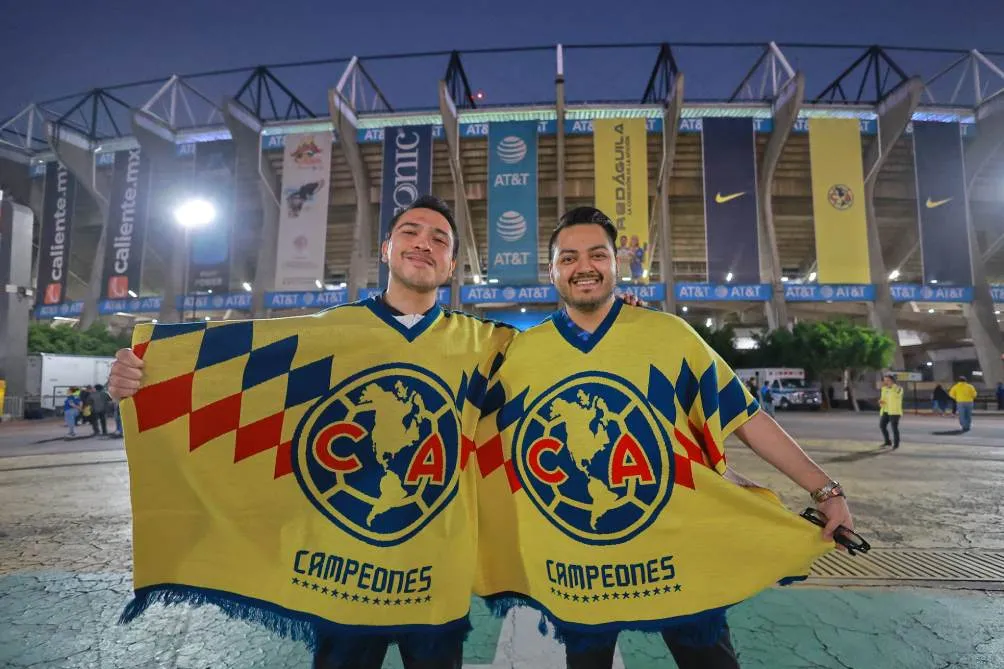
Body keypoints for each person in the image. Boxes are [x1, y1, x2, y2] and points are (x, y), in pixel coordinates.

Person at [110, 195, 517, 669]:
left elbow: (558, 368)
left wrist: (624, 322)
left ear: (451, 266)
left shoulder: (487, 345)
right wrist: (143, 373)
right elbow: (230, 379)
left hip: (434, 574)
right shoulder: (325, 336)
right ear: (385, 249)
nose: (424, 244)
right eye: (411, 232)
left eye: (440, 240)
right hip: (341, 573)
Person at [479, 207, 853, 669]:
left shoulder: (669, 336)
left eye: (597, 254)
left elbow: (746, 418)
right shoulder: (524, 354)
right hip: (579, 563)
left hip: (676, 554)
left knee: (708, 659)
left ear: (617, 263)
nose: (584, 267)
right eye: (569, 258)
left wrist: (825, 490)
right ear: (553, 270)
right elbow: (477, 437)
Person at [878, 374, 903, 449]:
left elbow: (897, 394)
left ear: (892, 380)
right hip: (885, 411)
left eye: (887, 380)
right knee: (882, 426)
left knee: (894, 428)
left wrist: (892, 387)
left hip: (894, 412)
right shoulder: (884, 389)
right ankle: (887, 441)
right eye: (884, 380)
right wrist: (881, 402)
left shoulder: (898, 388)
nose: (886, 382)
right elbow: (883, 399)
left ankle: (896, 444)